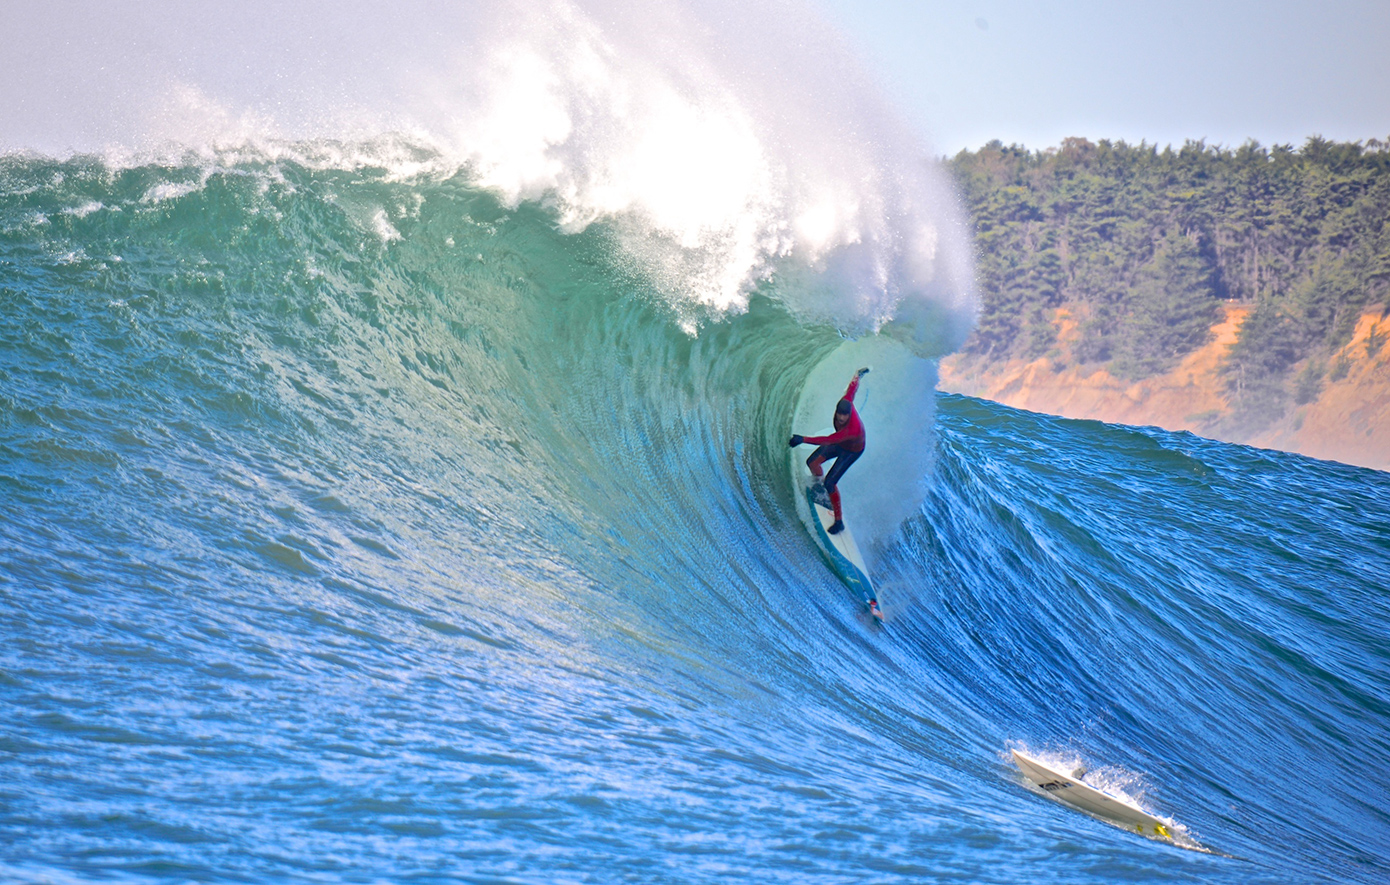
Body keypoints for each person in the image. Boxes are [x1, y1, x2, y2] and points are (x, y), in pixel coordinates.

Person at [788, 367, 869, 535]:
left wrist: (802, 439)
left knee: (830, 482)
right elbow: (851, 390)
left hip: (852, 450)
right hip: (840, 443)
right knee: (812, 463)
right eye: (839, 415)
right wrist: (857, 376)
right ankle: (818, 485)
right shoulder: (846, 401)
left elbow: (828, 440)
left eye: (843, 416)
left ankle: (839, 522)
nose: (840, 418)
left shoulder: (852, 430)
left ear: (849, 415)